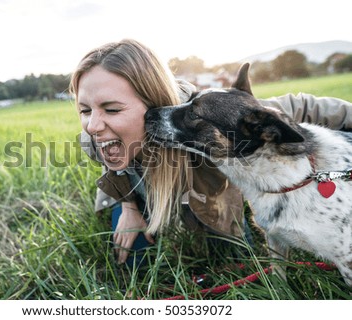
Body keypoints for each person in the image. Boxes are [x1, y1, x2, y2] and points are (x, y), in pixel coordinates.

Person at [70, 39, 352, 265]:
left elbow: (301, 107)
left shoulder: (207, 116)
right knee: (132, 260)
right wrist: (129, 208)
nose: (93, 125)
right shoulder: (94, 140)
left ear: (153, 100)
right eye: (84, 110)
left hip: (205, 194)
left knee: (234, 257)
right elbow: (116, 170)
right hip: (144, 187)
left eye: (112, 109)